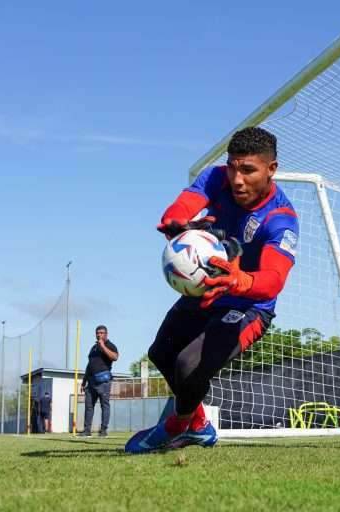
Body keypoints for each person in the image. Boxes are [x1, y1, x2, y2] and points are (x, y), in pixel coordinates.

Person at [125, 127, 299, 454]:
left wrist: (240, 280)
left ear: (271, 169)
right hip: (207, 293)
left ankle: (175, 427)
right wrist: (177, 222)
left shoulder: (281, 219)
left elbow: (274, 279)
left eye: (248, 170)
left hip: (249, 306)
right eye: (233, 166)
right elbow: (184, 204)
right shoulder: (215, 178)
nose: (237, 179)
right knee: (161, 353)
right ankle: (199, 425)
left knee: (188, 367)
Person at [79, 325, 118, 437]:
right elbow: (89, 365)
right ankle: (87, 430)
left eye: (101, 333)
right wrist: (84, 381)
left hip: (103, 382)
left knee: (104, 405)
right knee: (89, 406)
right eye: (98, 333)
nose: (99, 335)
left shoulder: (110, 345)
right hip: (91, 381)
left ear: (106, 334)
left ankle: (103, 430)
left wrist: (103, 347)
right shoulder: (93, 348)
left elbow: (115, 357)